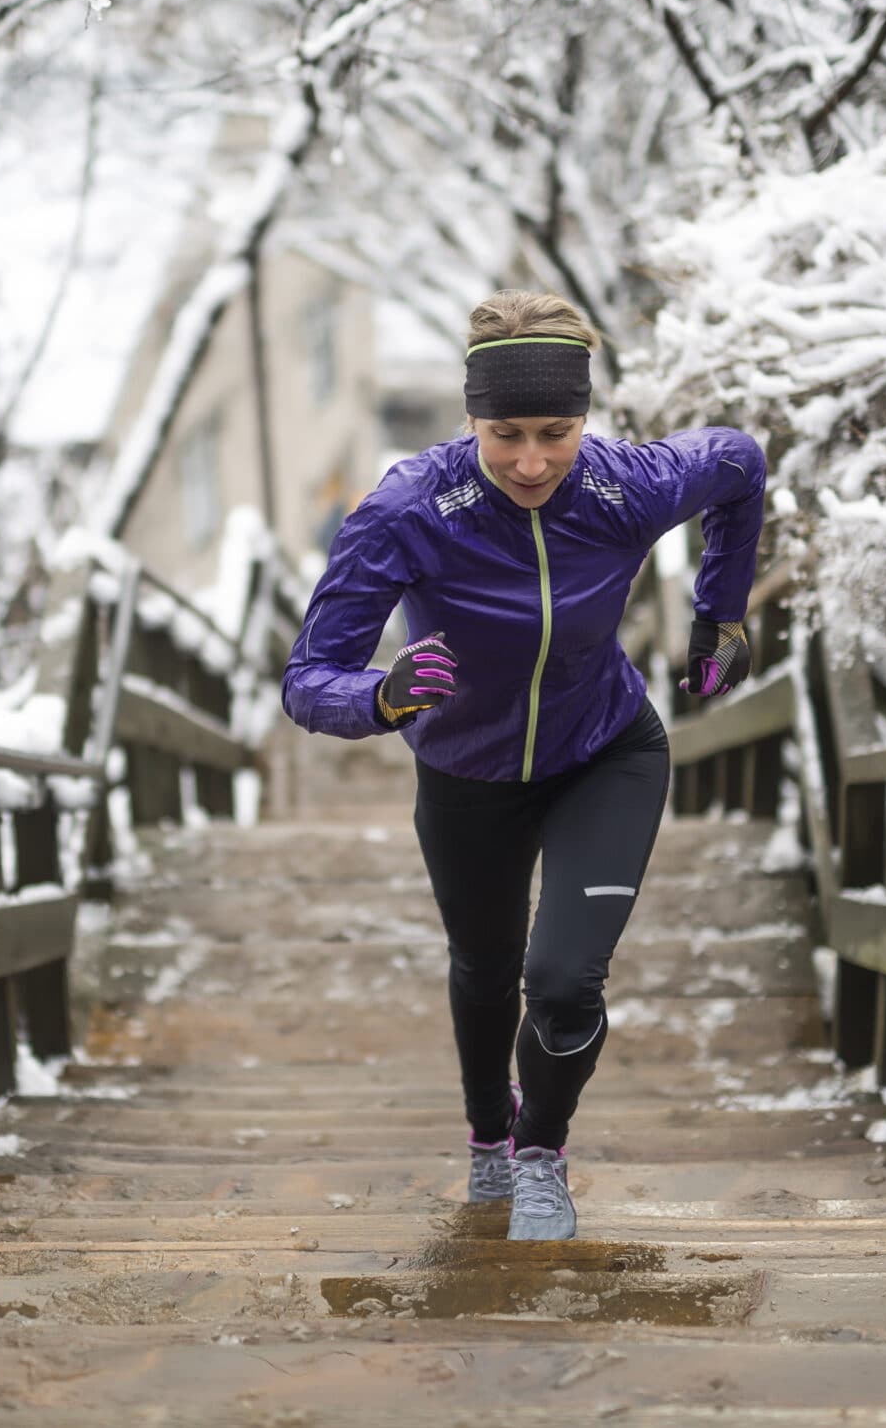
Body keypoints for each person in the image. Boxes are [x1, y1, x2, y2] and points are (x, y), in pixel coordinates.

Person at [280, 290, 765, 1240]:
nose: (533, 460)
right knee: (487, 967)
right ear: (471, 417)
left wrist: (722, 610)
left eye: (558, 430)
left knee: (564, 978)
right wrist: (379, 697)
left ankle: (542, 1151)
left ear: (588, 418)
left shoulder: (627, 484)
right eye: (506, 432)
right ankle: (488, 1134)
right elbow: (306, 678)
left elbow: (740, 463)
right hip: (468, 773)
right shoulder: (408, 509)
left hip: (606, 750)